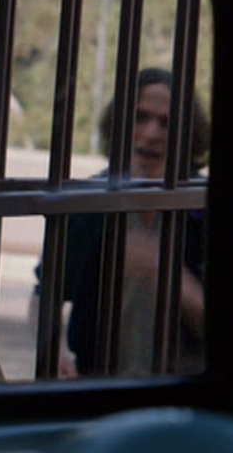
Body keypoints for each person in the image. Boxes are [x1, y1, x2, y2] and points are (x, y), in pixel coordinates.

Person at [31, 67, 211, 378]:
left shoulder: (205, 209)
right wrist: (54, 349)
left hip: (184, 394)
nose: (151, 134)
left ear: (188, 134)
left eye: (167, 123)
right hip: (99, 390)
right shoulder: (90, 203)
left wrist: (163, 273)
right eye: (140, 117)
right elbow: (44, 294)